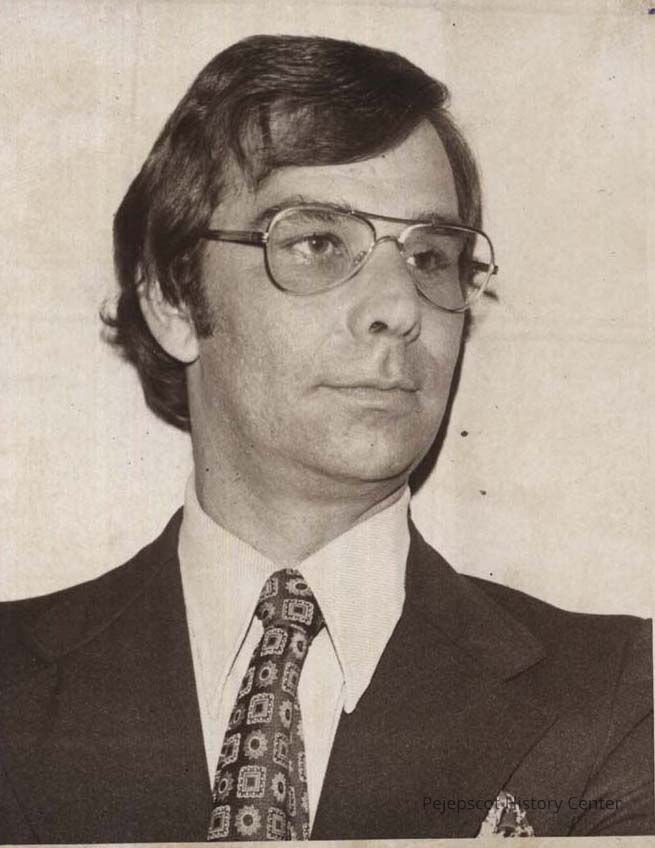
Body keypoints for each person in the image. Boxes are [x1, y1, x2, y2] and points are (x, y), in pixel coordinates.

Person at [0, 34, 652, 843]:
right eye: (316, 243)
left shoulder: (619, 696)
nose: (400, 307)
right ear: (173, 301)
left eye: (430, 256)